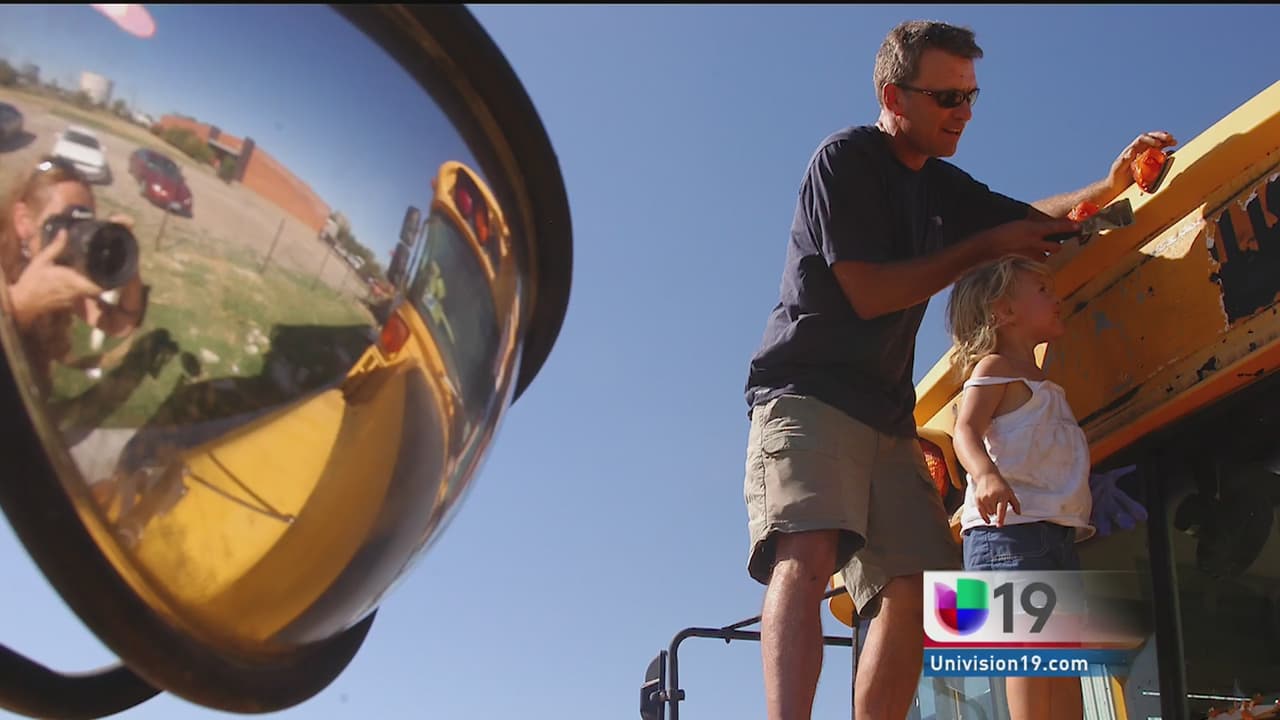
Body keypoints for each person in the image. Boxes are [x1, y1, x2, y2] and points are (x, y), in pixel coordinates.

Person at [740, 19, 1176, 720]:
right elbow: (868, 291)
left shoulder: (941, 187)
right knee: (810, 551)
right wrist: (984, 249)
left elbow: (1030, 223)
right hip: (808, 392)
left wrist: (1111, 183)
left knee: (919, 589)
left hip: (888, 415)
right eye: (947, 98)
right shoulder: (844, 161)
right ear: (895, 96)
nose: (964, 113)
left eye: (971, 96)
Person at [947, 255, 1088, 720]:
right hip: (1008, 533)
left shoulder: (1045, 383)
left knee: (1062, 657)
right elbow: (965, 429)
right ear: (1003, 311)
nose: (1056, 297)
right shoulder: (994, 368)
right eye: (1043, 290)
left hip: (1052, 532)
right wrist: (986, 475)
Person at [0, 156, 146, 395]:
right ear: (23, 221)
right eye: (64, 224)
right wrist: (20, 306)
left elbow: (120, 325)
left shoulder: (62, 272)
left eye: (83, 224)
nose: (74, 237)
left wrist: (126, 261)